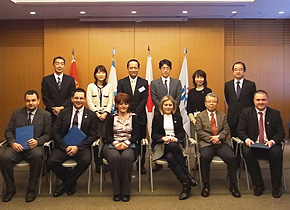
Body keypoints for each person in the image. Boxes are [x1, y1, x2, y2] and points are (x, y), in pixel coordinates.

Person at [1, 90, 51, 202]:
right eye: (28, 101)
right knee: (4, 158)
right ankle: (10, 189)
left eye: (33, 100)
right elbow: (8, 131)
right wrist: (13, 142)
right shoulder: (16, 113)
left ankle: (32, 189)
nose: (31, 103)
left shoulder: (45, 115)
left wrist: (38, 141)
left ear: (38, 101)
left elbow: (48, 134)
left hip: (34, 147)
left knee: (38, 157)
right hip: (17, 147)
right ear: (25, 101)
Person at [47, 88, 98, 197]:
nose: (78, 100)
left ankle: (66, 184)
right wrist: (65, 146)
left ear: (85, 100)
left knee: (86, 160)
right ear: (72, 99)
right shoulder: (63, 113)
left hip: (81, 147)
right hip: (63, 145)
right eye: (76, 98)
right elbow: (55, 132)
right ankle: (71, 182)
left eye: (81, 98)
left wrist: (78, 147)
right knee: (51, 162)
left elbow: (93, 135)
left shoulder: (91, 115)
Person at [237, 90, 285, 198]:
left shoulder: (275, 114)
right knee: (247, 152)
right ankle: (258, 184)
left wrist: (272, 141)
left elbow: (281, 132)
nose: (260, 102)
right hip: (253, 145)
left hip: (270, 145)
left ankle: (276, 187)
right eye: (258, 100)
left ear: (267, 101)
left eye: (263, 100)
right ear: (253, 101)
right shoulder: (246, 112)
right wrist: (247, 139)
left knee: (277, 153)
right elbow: (240, 130)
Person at [151, 95, 198, 200]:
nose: (168, 107)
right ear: (162, 106)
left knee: (170, 157)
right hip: (162, 145)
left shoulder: (177, 116)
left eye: (170, 105)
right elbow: (153, 135)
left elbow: (181, 133)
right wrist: (163, 138)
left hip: (175, 145)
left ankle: (186, 185)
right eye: (165, 105)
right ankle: (188, 176)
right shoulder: (157, 117)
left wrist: (176, 138)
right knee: (171, 148)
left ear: (173, 106)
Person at [195, 93, 240, 198]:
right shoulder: (200, 116)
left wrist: (218, 137)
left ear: (217, 103)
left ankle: (233, 184)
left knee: (232, 158)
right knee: (205, 157)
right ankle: (206, 184)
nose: (211, 104)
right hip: (207, 143)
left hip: (221, 142)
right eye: (209, 102)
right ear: (205, 103)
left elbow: (226, 129)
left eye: (214, 102)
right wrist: (211, 138)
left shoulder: (222, 115)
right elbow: (199, 131)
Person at [102, 93, 139, 202]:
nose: (123, 106)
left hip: (129, 145)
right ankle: (117, 191)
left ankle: (126, 191)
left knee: (126, 158)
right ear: (116, 105)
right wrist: (115, 143)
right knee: (114, 158)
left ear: (129, 105)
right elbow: (107, 135)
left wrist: (126, 143)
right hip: (112, 144)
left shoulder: (134, 117)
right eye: (120, 103)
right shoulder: (111, 117)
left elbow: (137, 134)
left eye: (126, 103)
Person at [117, 59, 148, 174]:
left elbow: (144, 99)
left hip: (140, 117)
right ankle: (127, 162)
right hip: (125, 116)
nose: (133, 70)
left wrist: (135, 114)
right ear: (128, 68)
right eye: (131, 67)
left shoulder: (144, 82)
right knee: (126, 139)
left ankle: (141, 164)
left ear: (138, 69)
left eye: (135, 67)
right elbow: (120, 99)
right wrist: (128, 113)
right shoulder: (121, 82)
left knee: (141, 141)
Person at [151, 59, 182, 172]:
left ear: (170, 69)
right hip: (159, 113)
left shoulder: (177, 82)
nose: (165, 70)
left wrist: (171, 108)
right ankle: (158, 162)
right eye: (163, 68)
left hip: (174, 113)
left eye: (167, 68)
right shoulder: (154, 83)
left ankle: (173, 161)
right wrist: (163, 108)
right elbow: (154, 97)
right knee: (159, 132)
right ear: (160, 69)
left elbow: (178, 97)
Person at [87, 65, 113, 173]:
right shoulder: (91, 86)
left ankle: (105, 161)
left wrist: (106, 113)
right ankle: (97, 163)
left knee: (107, 139)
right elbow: (89, 100)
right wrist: (97, 113)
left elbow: (111, 101)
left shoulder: (109, 86)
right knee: (95, 140)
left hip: (107, 116)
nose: (101, 74)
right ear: (95, 74)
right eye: (98, 72)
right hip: (94, 116)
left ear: (106, 75)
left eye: (103, 72)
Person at [224, 61, 256, 138]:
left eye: (240, 69)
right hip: (233, 116)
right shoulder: (228, 85)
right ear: (233, 72)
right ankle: (235, 150)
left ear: (244, 71)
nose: (238, 71)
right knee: (234, 138)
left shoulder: (251, 85)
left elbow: (253, 100)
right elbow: (228, 99)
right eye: (236, 69)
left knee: (246, 137)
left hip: (246, 116)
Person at [41, 56, 76, 124]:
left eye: (62, 64)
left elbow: (72, 96)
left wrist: (62, 107)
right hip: (50, 113)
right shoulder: (46, 80)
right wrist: (54, 108)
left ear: (64, 66)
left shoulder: (70, 80)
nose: (59, 66)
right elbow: (45, 97)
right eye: (57, 63)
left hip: (66, 112)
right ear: (53, 65)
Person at [187, 69, 212, 138]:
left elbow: (210, 106)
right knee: (194, 138)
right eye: (197, 77)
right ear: (194, 79)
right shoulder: (191, 92)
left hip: (204, 119)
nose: (199, 79)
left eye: (201, 77)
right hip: (193, 119)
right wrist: (193, 119)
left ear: (204, 79)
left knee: (204, 138)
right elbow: (189, 107)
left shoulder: (208, 91)